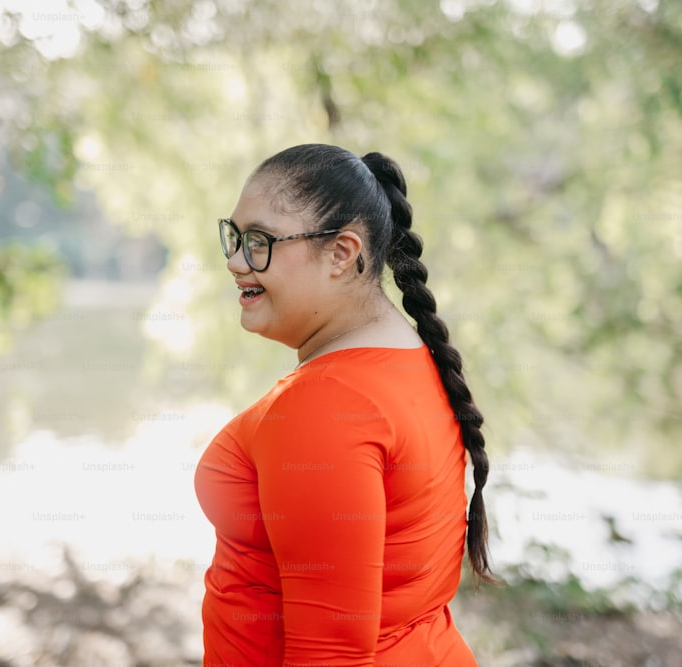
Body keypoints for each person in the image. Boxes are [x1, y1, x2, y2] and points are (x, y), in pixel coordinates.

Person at [194, 144, 492, 666]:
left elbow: (330, 655)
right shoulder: (409, 359)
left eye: (260, 241)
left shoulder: (324, 407)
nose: (235, 260)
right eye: (235, 236)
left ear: (341, 253)